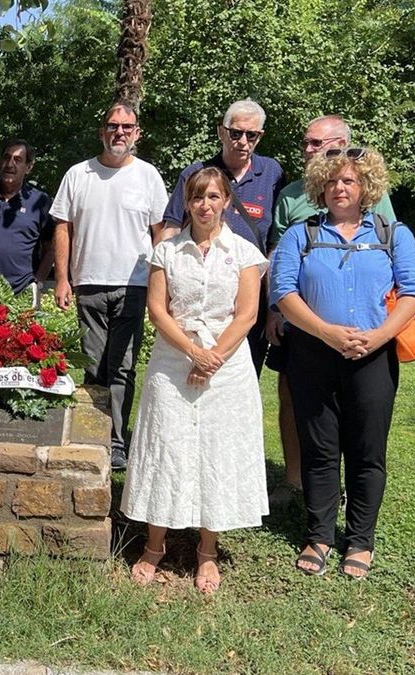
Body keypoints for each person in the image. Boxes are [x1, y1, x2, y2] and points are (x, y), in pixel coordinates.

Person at [270, 148, 415, 579]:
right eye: (332, 181)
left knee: (367, 451)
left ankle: (360, 540)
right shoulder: (299, 235)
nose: (340, 188)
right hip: (313, 354)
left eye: (349, 181)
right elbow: (283, 293)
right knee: (320, 449)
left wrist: (378, 336)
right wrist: (326, 332)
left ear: (366, 188)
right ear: (320, 188)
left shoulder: (392, 234)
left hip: (373, 356)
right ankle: (320, 535)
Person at [120, 167, 269, 594]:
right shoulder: (166, 251)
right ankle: (154, 545)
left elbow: (247, 315)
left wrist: (213, 356)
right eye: (198, 197)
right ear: (187, 202)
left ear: (226, 201)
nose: (206, 205)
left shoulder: (244, 252)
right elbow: (157, 310)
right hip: (174, 361)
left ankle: (207, 551)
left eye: (214, 197)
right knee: (166, 446)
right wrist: (193, 351)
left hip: (227, 367)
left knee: (215, 453)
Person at [265, 114, 399, 507]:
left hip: (365, 332)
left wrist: (375, 326)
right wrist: (276, 310)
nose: (307, 150)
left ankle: (345, 497)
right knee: (292, 392)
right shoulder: (290, 194)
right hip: (301, 324)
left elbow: (385, 254)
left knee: (358, 413)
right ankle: (296, 480)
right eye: (305, 142)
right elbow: (278, 254)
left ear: (341, 143)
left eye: (315, 143)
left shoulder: (375, 195)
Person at [50, 102, 169, 470]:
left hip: (133, 284)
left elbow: (160, 233)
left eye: (126, 126)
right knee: (93, 366)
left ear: (136, 133)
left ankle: (116, 441)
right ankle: (92, 433)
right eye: (112, 125)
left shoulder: (148, 176)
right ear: (102, 131)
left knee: (122, 367)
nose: (119, 132)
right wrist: (62, 277)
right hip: (89, 284)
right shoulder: (78, 174)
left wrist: (160, 283)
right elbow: (62, 226)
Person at [160, 99, 285, 378]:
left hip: (248, 301)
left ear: (259, 137)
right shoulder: (196, 173)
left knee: (240, 376)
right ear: (221, 132)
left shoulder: (272, 173)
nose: (242, 141)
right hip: (197, 300)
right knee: (187, 379)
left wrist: (274, 305)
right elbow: (169, 230)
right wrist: (160, 286)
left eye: (251, 135)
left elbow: (274, 245)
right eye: (235, 132)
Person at [0, 138, 54, 304]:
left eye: (18, 160)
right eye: (6, 157)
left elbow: (51, 249)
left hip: (21, 296)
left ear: (29, 167)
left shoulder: (39, 202)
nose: (10, 164)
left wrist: (38, 281)